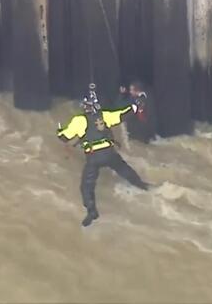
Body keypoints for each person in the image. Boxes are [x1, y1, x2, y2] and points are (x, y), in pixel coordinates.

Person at [57, 84, 151, 227]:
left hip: (93, 156)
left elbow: (64, 137)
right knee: (124, 169)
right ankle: (142, 186)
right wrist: (137, 104)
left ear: (85, 107)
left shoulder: (79, 120)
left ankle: (91, 211)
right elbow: (123, 114)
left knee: (86, 187)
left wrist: (59, 131)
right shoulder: (105, 116)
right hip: (109, 152)